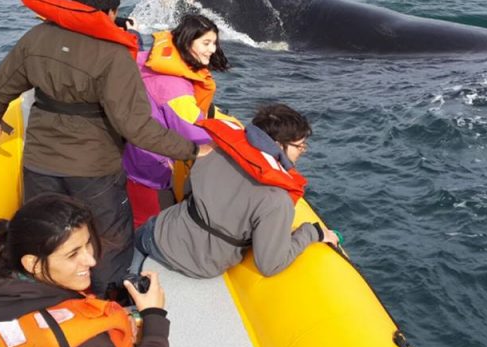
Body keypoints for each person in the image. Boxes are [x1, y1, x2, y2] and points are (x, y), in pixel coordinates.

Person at [0, 0, 209, 297]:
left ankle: (45, 301)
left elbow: (0, 85)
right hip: (95, 169)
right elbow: (136, 127)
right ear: (112, 13)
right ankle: (107, 300)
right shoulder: (115, 54)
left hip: (40, 163)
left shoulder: (36, 38)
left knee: (46, 237)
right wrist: (190, 150)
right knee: (109, 238)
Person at [0, 194, 170, 347]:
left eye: (87, 245)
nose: (91, 261)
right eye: (73, 254)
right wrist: (153, 318)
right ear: (31, 263)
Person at [135, 103, 340, 279]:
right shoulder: (277, 200)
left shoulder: (216, 150)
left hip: (160, 233)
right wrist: (311, 232)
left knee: (130, 250)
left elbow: (188, 190)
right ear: (278, 146)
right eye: (300, 146)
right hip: (201, 265)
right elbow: (270, 265)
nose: (302, 151)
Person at [123, 14, 235, 227]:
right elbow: (191, 130)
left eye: (214, 43)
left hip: (130, 153)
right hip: (150, 166)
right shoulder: (173, 88)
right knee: (149, 223)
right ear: (187, 41)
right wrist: (234, 139)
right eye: (206, 43)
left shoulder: (147, 62)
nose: (212, 49)